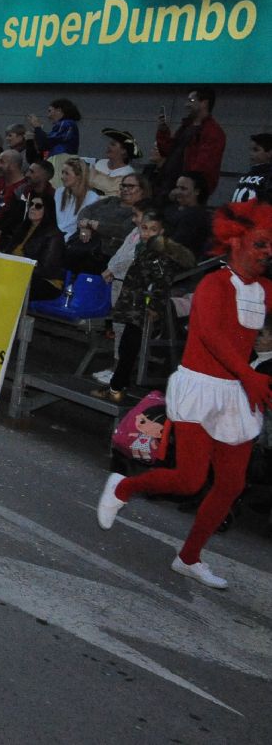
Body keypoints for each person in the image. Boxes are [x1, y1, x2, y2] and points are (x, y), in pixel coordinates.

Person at [97, 201, 272, 589]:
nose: (267, 252)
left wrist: (248, 377)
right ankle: (123, 486)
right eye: (260, 243)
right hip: (200, 386)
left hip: (236, 393)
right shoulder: (214, 284)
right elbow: (208, 335)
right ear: (237, 241)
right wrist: (249, 374)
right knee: (190, 480)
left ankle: (189, 557)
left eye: (271, 245)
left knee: (231, 484)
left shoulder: (264, 290)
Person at [90, 207, 194, 402]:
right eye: (144, 228)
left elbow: (162, 282)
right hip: (132, 307)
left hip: (141, 310)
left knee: (128, 350)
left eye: (152, 229)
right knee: (125, 349)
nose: (146, 233)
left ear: (161, 231)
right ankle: (118, 387)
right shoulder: (146, 250)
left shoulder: (159, 254)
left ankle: (116, 388)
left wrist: (153, 307)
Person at [155, 87, 227, 196]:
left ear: (204, 103)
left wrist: (183, 188)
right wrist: (163, 131)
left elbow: (203, 167)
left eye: (191, 101)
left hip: (186, 193)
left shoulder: (213, 132)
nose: (186, 105)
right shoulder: (186, 127)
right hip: (167, 187)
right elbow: (168, 151)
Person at [0, 189, 66, 301]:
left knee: (9, 285)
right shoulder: (22, 228)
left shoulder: (54, 235)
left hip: (46, 283)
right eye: (31, 204)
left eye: (38, 206)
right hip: (19, 275)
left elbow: (46, 270)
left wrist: (19, 268)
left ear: (47, 210)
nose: (32, 208)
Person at [164, 171, 213, 257]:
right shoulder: (172, 209)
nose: (178, 192)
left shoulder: (196, 217)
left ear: (197, 191)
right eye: (177, 188)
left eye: (183, 189)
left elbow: (175, 243)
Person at [53, 157, 99, 240]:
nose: (62, 177)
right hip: (55, 236)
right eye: (62, 172)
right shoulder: (59, 192)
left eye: (67, 173)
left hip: (73, 239)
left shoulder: (92, 198)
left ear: (79, 176)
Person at [90, 128, 139, 197]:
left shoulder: (128, 173)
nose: (108, 146)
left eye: (113, 144)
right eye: (109, 144)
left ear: (123, 151)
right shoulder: (100, 163)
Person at [230, 133, 271, 204]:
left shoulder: (269, 177)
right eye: (251, 150)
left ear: (269, 153)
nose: (251, 153)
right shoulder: (247, 175)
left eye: (256, 150)